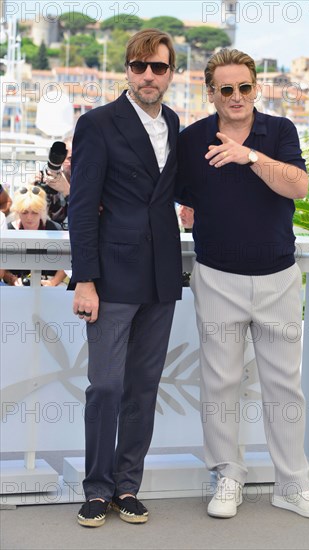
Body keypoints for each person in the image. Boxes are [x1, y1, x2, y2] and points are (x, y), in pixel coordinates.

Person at [176, 49, 309, 520]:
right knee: (219, 384)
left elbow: (297, 186)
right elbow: (184, 205)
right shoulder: (191, 140)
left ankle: (292, 484)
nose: (237, 96)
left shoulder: (280, 131)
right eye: (226, 89)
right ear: (211, 94)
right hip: (217, 276)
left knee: (285, 386)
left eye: (245, 87)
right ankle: (227, 475)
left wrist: (249, 156)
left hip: (278, 277)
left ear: (256, 88)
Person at [68, 28, 182, 528]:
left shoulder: (175, 123)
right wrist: (85, 280)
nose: (148, 76)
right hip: (112, 277)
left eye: (158, 67)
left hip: (161, 276)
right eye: (140, 66)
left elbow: (171, 191)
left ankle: (127, 486)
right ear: (127, 71)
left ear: (171, 72)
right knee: (106, 386)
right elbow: (80, 208)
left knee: (143, 387)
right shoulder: (97, 123)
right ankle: (96, 489)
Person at [4, 185, 66, 286]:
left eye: (34, 212)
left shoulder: (54, 230)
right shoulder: (8, 231)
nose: (29, 217)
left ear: (42, 211)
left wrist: (53, 282)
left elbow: (67, 261)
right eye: (24, 212)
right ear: (17, 211)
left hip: (49, 284)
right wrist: (12, 278)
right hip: (16, 285)